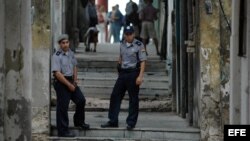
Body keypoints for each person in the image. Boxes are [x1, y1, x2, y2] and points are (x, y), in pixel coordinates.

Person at [101, 26, 147, 130]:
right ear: (124, 35)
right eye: (126, 34)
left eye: (130, 34)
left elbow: (143, 61)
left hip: (133, 73)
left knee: (133, 99)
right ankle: (113, 120)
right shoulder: (122, 44)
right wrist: (119, 65)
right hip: (123, 73)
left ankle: (131, 122)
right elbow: (121, 56)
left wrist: (140, 76)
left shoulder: (139, 45)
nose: (128, 36)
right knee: (115, 96)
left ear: (133, 34)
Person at [52, 34, 90, 137]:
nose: (65, 45)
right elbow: (57, 73)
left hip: (70, 80)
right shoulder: (57, 56)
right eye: (63, 43)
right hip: (61, 82)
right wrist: (69, 85)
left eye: (67, 42)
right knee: (63, 107)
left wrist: (75, 80)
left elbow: (74, 66)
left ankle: (79, 122)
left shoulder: (71, 53)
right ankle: (63, 131)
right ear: (60, 44)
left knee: (81, 100)